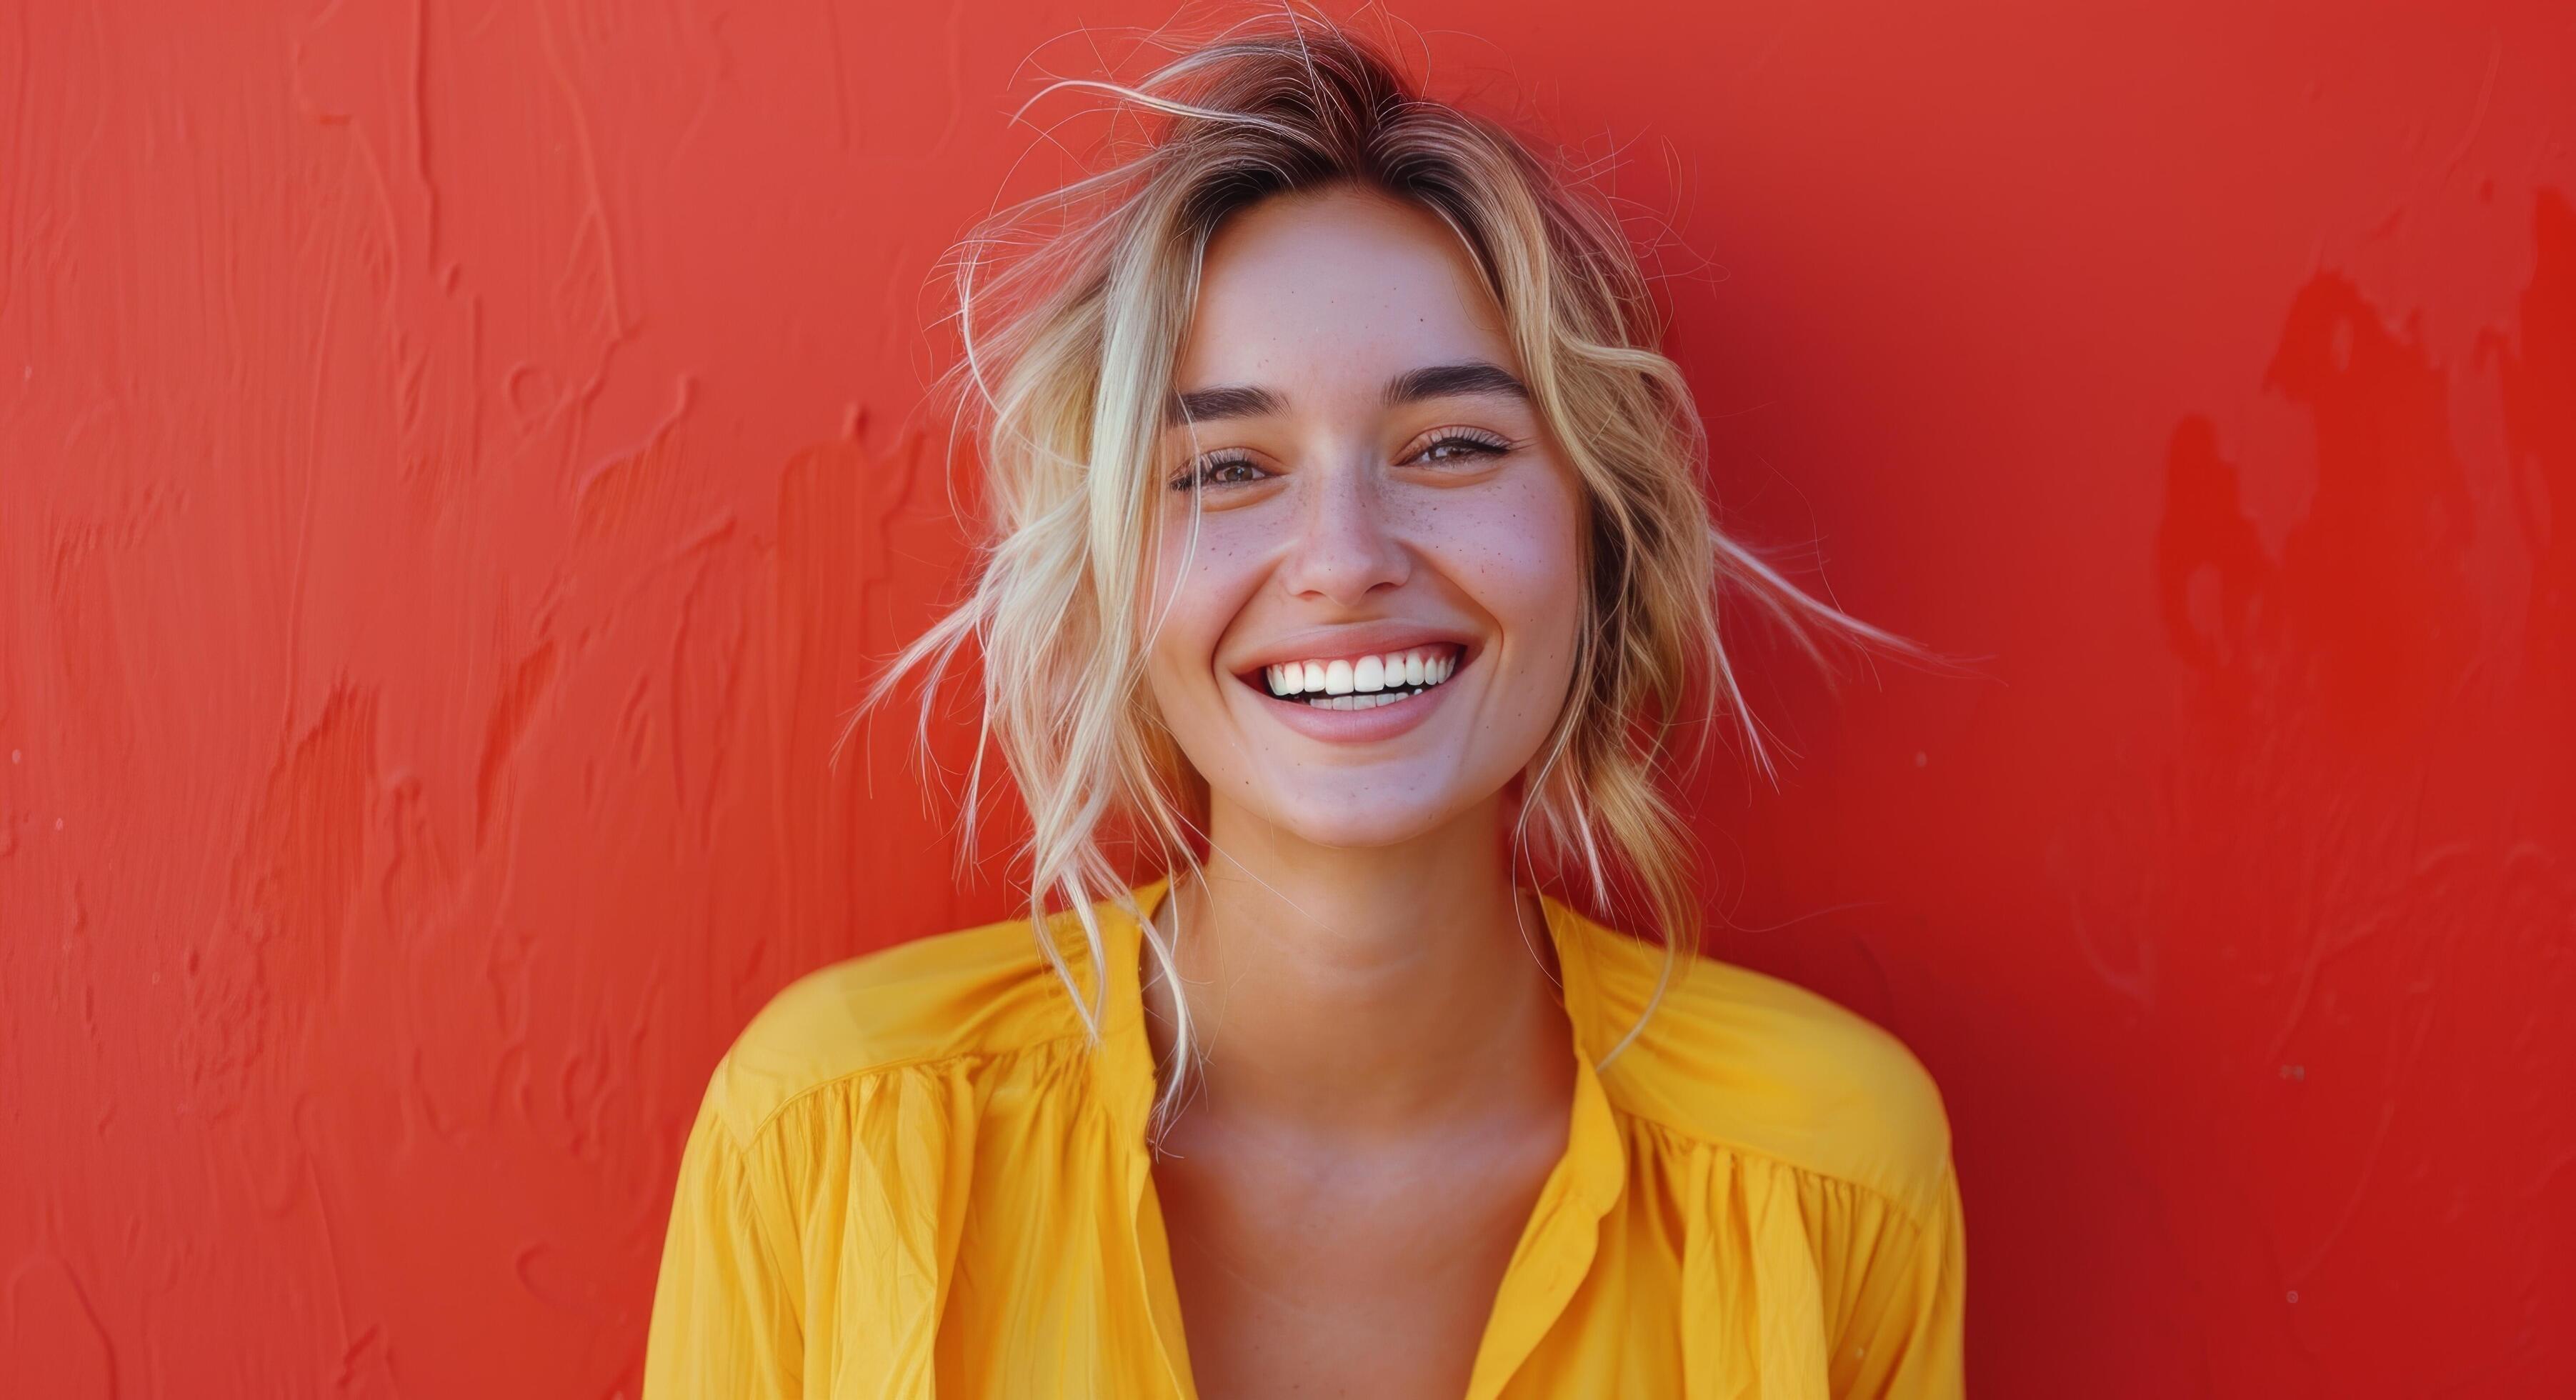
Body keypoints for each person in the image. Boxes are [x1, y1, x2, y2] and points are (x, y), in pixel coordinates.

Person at [642, 11, 1967, 1398]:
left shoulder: (1826, 1177)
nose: (1345, 559)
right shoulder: (832, 1140)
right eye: (1226, 467)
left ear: (1599, 534)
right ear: (1108, 571)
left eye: (1451, 444)